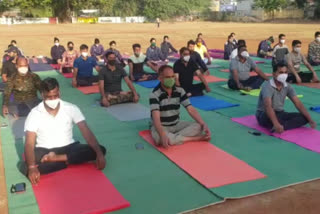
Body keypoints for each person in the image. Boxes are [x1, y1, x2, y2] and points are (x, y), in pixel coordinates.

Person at [24, 78, 106, 184]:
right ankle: (66, 161)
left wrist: (99, 154)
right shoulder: (34, 113)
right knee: (26, 164)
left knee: (100, 149)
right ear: (42, 95)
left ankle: (57, 159)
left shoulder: (71, 108)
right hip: (44, 150)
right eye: (49, 97)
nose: (53, 99)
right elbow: (29, 143)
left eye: (55, 95)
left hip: (69, 147)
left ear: (59, 92)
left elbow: (86, 131)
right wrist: (31, 167)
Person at [149, 65, 211, 148]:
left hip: (176, 124)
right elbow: (156, 119)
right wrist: (163, 134)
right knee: (161, 138)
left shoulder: (180, 90)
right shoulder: (155, 94)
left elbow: (190, 109)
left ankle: (175, 138)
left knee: (199, 126)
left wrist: (203, 124)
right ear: (160, 78)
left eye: (172, 77)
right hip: (161, 126)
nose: (171, 79)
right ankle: (195, 138)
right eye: (167, 77)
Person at [256, 62, 316, 133]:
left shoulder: (287, 86)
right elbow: (268, 106)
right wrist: (276, 123)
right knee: (267, 118)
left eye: (285, 72)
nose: (283, 75)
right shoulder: (267, 86)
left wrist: (310, 120)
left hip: (280, 113)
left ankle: (281, 126)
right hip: (264, 114)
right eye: (281, 72)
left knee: (304, 118)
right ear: (274, 74)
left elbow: (298, 103)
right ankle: (277, 125)